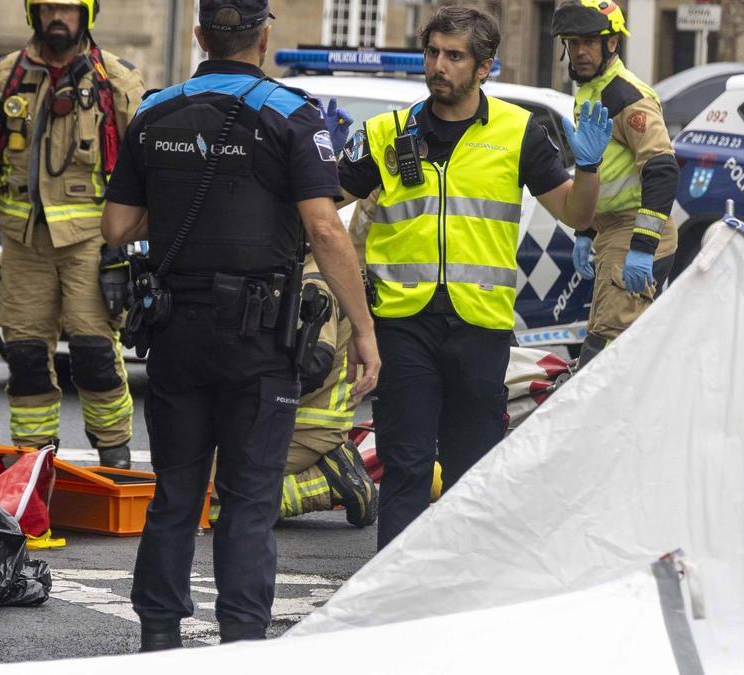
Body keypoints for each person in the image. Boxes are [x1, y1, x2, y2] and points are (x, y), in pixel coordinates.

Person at [100, 0, 380, 650]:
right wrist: (363, 329)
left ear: (199, 35)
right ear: (263, 37)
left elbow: (116, 227)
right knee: (249, 498)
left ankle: (159, 641)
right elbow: (324, 229)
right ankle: (242, 643)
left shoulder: (155, 112)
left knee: (175, 494)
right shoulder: (290, 115)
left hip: (175, 333)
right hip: (258, 338)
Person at [334, 4, 612, 550]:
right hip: (403, 324)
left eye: (455, 56)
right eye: (433, 53)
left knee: (471, 474)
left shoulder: (518, 133)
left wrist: (590, 169)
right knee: (406, 467)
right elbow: (323, 207)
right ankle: (395, 591)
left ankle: (457, 592)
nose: (440, 65)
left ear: (485, 67)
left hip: (479, 328)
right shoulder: (387, 132)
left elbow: (577, 215)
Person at [0, 0, 144, 468]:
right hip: (22, 243)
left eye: (68, 10)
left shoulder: (115, 80)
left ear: (87, 15)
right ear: (32, 13)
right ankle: (33, 464)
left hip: (91, 244)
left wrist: (143, 231)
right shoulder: (4, 77)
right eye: (49, 8)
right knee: (27, 358)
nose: (58, 18)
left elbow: (145, 160)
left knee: (95, 355)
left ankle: (114, 455)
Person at [551, 0, 680, 367]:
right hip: (611, 231)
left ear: (612, 44)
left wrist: (641, 246)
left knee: (607, 347)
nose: (579, 52)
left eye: (589, 42)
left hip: (635, 233)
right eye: (572, 43)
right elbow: (602, 172)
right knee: (612, 335)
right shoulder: (590, 92)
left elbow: (662, 168)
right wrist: (586, 232)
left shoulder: (627, 96)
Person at [278, 257, 376, 526]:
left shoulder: (314, 277)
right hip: (288, 423)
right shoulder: (305, 266)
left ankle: (328, 482)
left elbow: (312, 364)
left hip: (304, 429)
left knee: (221, 497)